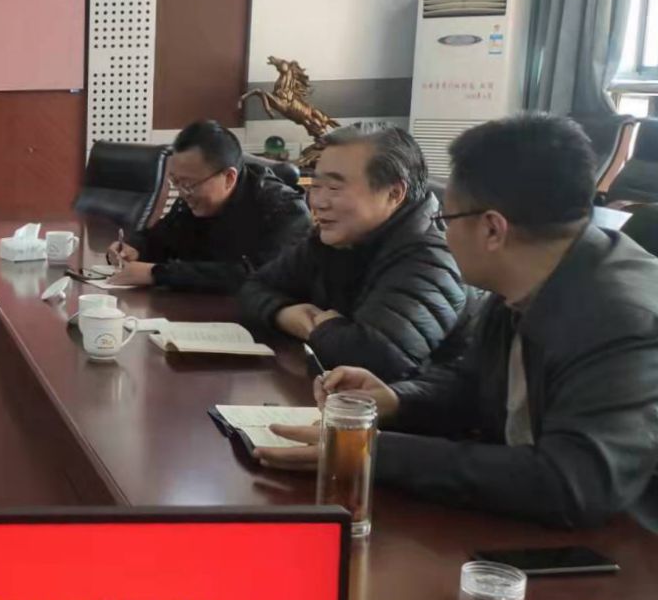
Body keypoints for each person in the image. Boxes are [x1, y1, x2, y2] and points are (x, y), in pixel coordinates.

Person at [256, 114, 658, 530]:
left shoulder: (624, 319)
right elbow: (473, 386)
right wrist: (395, 400)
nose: (442, 236)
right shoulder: (526, 277)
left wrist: (368, 451)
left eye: (445, 221)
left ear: (492, 229)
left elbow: (573, 483)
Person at [238, 123, 466, 379]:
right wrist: (285, 314)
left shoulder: (432, 256)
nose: (317, 202)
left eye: (335, 188)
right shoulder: (336, 237)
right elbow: (253, 288)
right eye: (316, 185)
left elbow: (378, 359)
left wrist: (322, 328)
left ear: (394, 193)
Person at [103, 120, 310, 292]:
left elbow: (256, 275)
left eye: (189, 184)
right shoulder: (193, 200)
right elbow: (161, 239)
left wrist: (158, 273)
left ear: (229, 178)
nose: (182, 193)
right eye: (176, 182)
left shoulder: (284, 209)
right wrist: (134, 248)